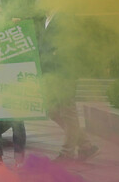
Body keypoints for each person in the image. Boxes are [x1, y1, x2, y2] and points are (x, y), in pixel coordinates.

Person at [40, 10, 99, 161]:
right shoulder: (44, 20)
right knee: (52, 110)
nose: (38, 1)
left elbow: (74, 42)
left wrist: (57, 53)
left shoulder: (64, 17)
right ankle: (86, 146)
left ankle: (67, 152)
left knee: (68, 112)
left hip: (64, 73)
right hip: (51, 74)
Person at [0, 6, 27, 167]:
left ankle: (19, 159)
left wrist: (19, 27)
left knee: (18, 122)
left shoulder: (14, 32)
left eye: (1, 14)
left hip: (13, 84)